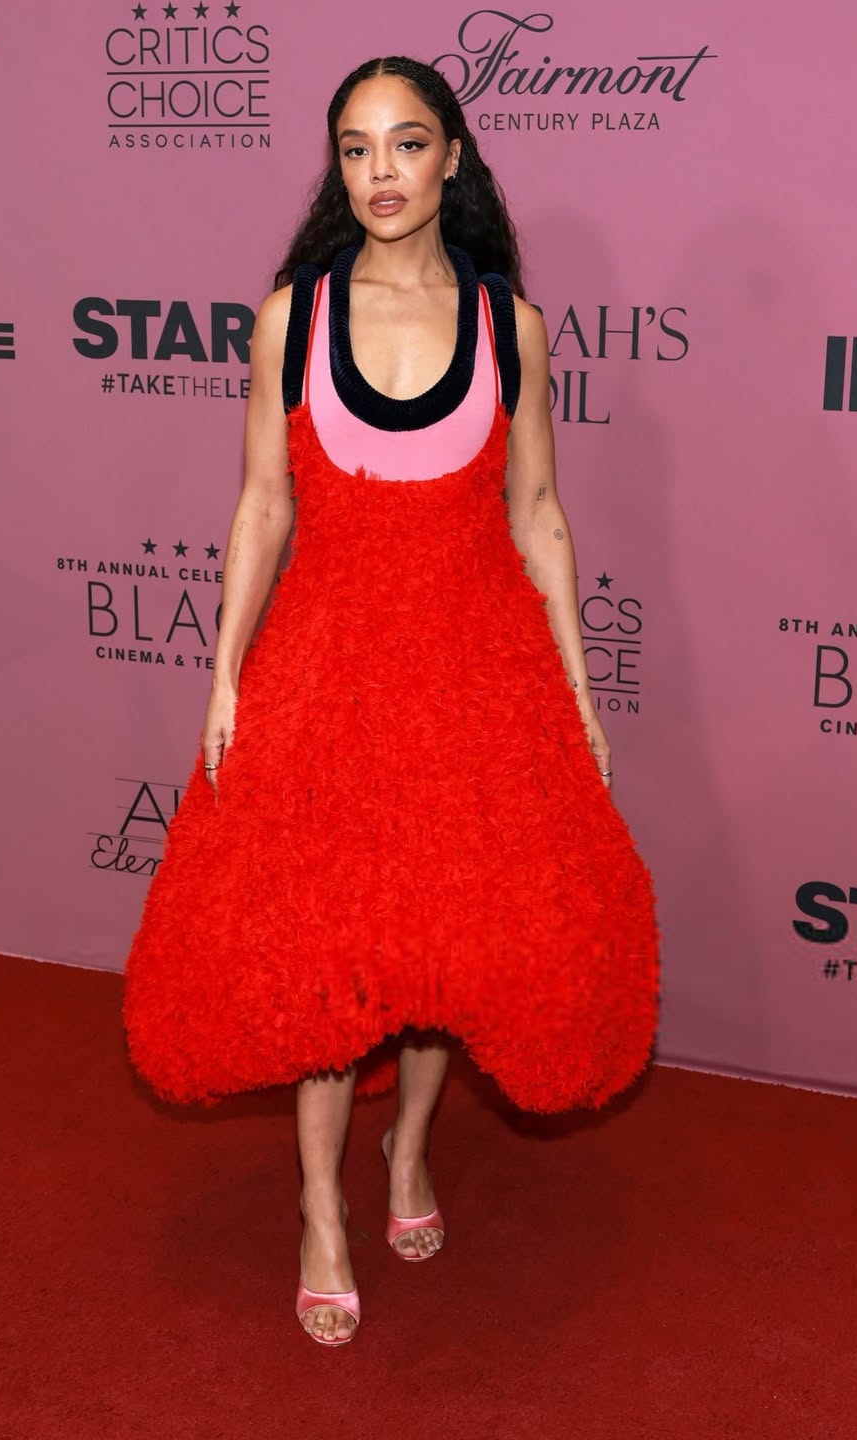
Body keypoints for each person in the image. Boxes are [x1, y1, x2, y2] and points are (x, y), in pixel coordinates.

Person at [122, 55, 659, 1348]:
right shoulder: (291, 318)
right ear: (337, 166)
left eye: (407, 144)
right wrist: (224, 671)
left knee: (445, 959)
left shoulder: (510, 326)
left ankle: (407, 1147)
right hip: (330, 676)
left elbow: (539, 513)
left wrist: (579, 688)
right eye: (356, 148)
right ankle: (320, 1208)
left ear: (452, 159)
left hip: (475, 676)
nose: (381, 172)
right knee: (325, 963)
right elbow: (263, 506)